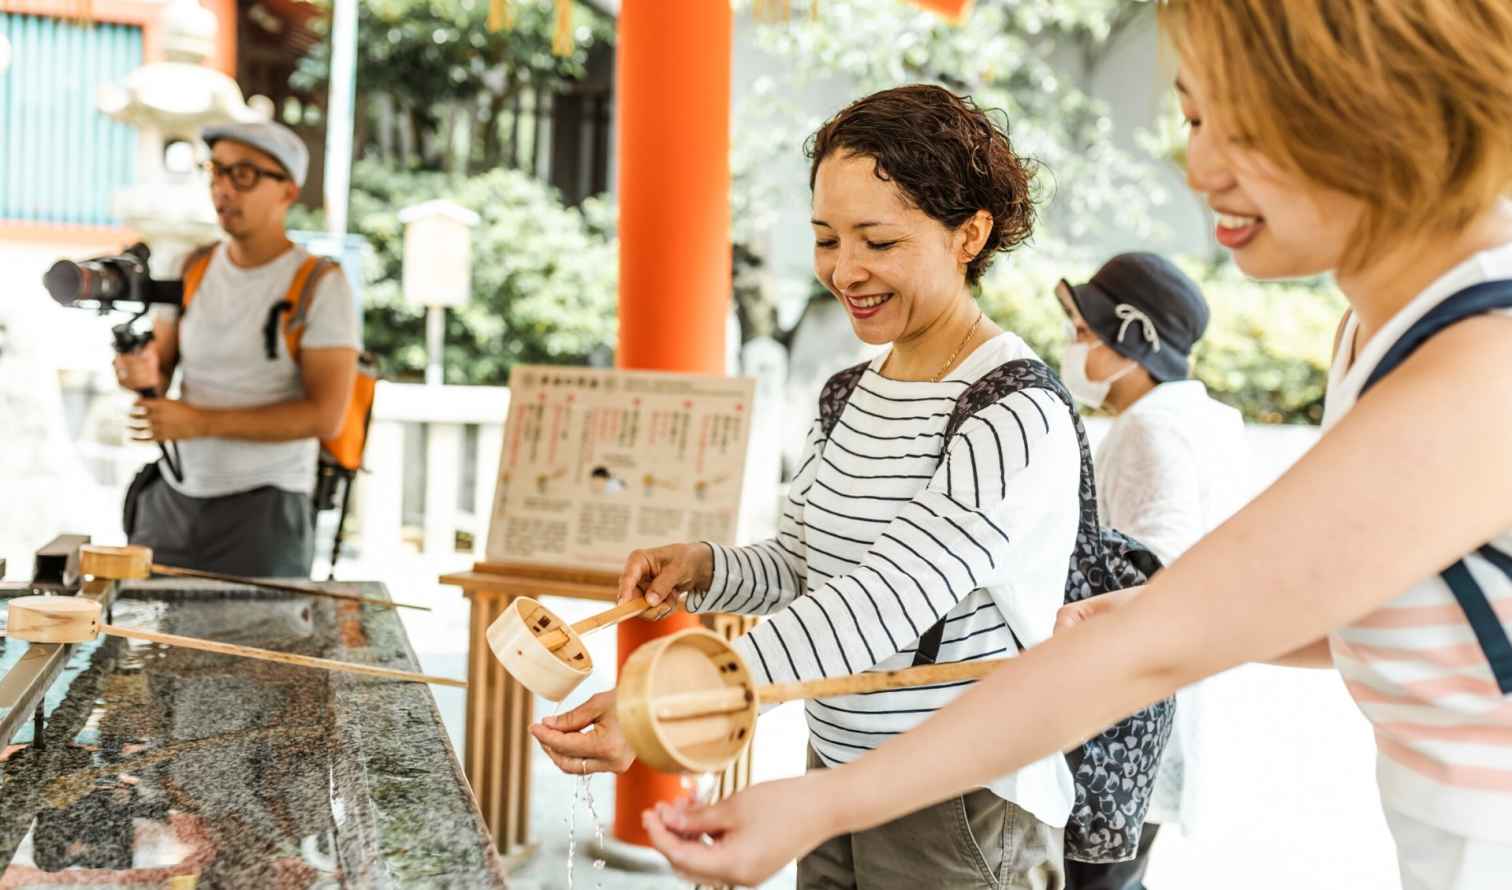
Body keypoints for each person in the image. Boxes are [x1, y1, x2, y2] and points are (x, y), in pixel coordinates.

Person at [639, 3, 1512, 889]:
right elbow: (1382, 607)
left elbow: (1133, 650)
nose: (1199, 167)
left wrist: (764, 755)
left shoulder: (1484, 359)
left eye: (1243, 127)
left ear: (1382, 111)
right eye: (1196, 118)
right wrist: (1156, 614)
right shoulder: (1379, 334)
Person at [532, 84, 1085, 889]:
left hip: (958, 796)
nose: (845, 270)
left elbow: (886, 597)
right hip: (837, 768)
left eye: (879, 242)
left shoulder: (1012, 411)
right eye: (827, 239)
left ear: (970, 234)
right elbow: (807, 566)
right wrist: (707, 567)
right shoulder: (849, 388)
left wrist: (675, 703)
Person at [1055, 252, 1246, 890]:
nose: (1072, 346)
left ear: (1132, 341)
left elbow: (1150, 572)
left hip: (1123, 730)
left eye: (1084, 332)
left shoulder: (1150, 431)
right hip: (1170, 708)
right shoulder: (1208, 421)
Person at [114, 120, 360, 578]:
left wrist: (199, 422)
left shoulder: (319, 284)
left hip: (266, 507)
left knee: (257, 648)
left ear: (287, 190)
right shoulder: (192, 267)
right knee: (151, 643)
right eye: (217, 172)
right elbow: (161, 366)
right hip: (173, 494)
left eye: (244, 175)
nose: (224, 188)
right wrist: (141, 374)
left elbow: (326, 415)